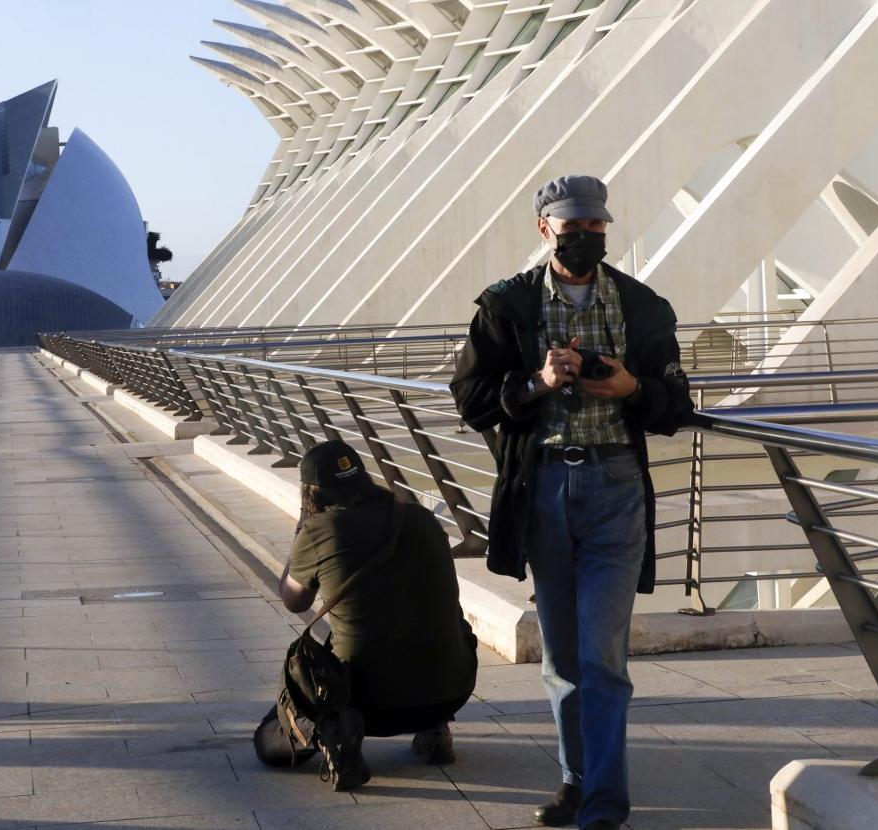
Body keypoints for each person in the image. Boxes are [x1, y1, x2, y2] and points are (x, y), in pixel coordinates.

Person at [449, 175, 692, 830]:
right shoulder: (508, 307)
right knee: (561, 658)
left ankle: (604, 808)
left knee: (600, 658)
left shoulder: (643, 308)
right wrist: (537, 381)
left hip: (615, 491)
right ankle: (577, 781)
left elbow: (677, 406)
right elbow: (469, 398)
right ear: (544, 228)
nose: (584, 236)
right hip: (545, 491)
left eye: (595, 226)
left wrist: (631, 387)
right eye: (571, 225)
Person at [253, 439, 479, 791]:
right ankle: (434, 726)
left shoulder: (320, 530)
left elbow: (293, 601)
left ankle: (341, 739)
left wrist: (303, 529)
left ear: (311, 493)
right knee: (426, 618)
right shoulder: (420, 517)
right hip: (453, 689)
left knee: (268, 742)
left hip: (369, 705)